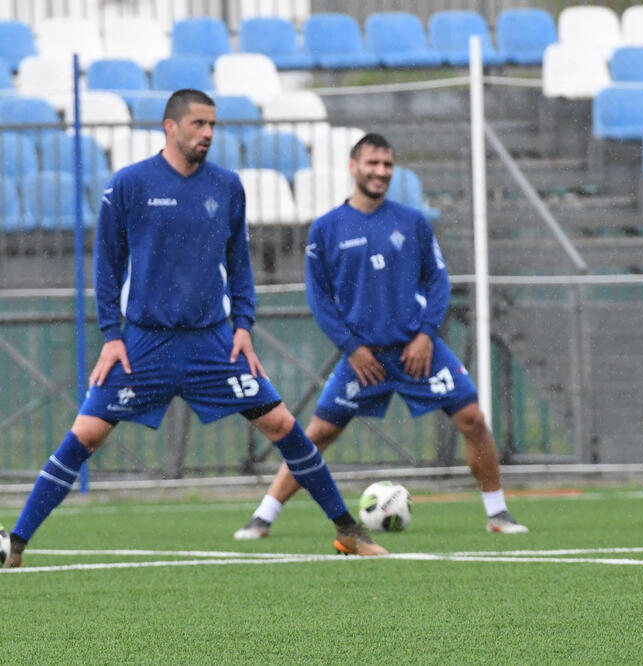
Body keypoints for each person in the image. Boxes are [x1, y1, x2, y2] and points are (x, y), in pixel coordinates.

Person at [2, 89, 385, 568]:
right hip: (144, 344)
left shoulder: (226, 186)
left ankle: (347, 529)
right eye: (198, 124)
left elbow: (239, 263)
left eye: (212, 125)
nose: (207, 133)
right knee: (85, 435)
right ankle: (15, 544)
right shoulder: (129, 185)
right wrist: (112, 335)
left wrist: (243, 325)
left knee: (283, 424)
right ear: (170, 126)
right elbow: (107, 266)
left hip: (213, 344)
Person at [234, 133, 528, 539]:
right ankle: (264, 515)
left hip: (417, 352)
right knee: (317, 435)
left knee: (473, 418)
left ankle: (498, 514)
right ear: (353, 167)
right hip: (363, 359)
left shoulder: (412, 222)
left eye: (387, 165)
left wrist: (426, 335)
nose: (381, 172)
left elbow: (438, 281)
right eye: (372, 164)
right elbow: (319, 298)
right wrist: (352, 348)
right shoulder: (326, 228)